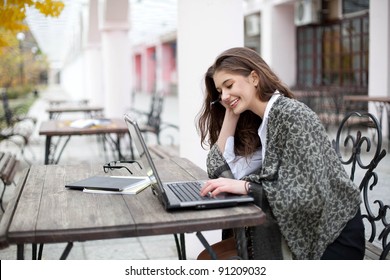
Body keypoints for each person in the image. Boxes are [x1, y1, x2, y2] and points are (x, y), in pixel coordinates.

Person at [196, 47, 365, 260]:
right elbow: (218, 169)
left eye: (229, 85)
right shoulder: (263, 122)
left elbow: (310, 194)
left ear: (254, 77)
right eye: (220, 92)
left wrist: (248, 187)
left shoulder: (292, 115)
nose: (224, 95)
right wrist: (231, 110)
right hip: (298, 230)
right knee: (210, 259)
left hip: (330, 237)